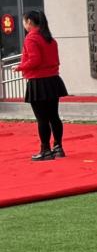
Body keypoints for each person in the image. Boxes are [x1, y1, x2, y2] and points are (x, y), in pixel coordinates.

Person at [17, 9, 67, 161]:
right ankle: (58, 147)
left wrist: (20, 67)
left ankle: (45, 150)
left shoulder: (31, 39)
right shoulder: (50, 39)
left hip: (38, 82)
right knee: (54, 116)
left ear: (29, 22)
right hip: (52, 80)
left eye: (24, 21)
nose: (24, 24)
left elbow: (35, 60)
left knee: (42, 118)